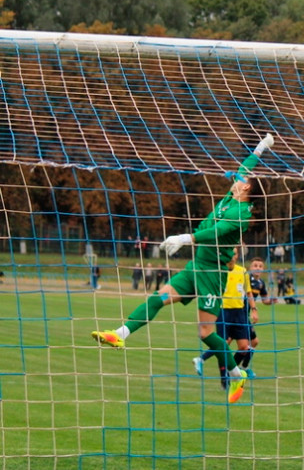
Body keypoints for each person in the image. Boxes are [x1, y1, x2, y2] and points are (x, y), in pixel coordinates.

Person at [91, 133, 275, 405]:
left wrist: (185, 238)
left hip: (213, 273)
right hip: (196, 266)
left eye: (242, 181)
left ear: (247, 190)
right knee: (158, 298)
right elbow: (245, 166)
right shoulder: (234, 193)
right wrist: (261, 146)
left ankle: (237, 374)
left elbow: (217, 231)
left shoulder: (241, 214)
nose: (237, 179)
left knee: (206, 333)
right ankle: (119, 335)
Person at [193, 251, 259, 385]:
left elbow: (248, 292)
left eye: (235, 253)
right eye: (230, 253)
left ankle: (232, 371)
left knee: (244, 346)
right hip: (223, 311)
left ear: (237, 256)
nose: (232, 256)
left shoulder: (243, 271)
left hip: (239, 312)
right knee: (224, 343)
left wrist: (254, 309)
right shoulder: (219, 270)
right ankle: (208, 365)